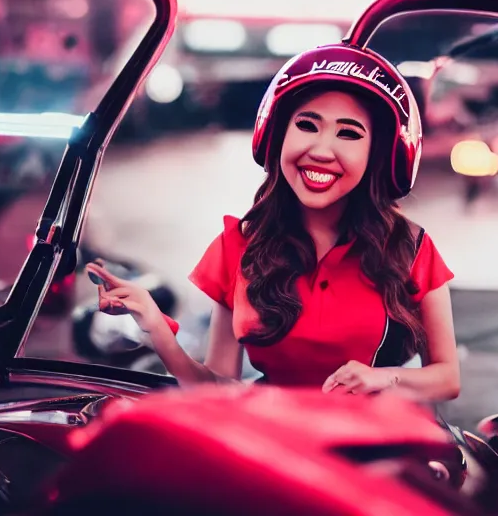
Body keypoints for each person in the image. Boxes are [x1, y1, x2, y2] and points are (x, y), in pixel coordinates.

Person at [86, 44, 460, 401]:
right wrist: (154, 326)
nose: (320, 150)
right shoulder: (239, 246)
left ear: (377, 154)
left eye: (348, 133)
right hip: (273, 441)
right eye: (307, 125)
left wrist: (383, 378)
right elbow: (218, 387)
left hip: (378, 449)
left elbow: (447, 378)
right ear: (277, 135)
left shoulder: (410, 248)